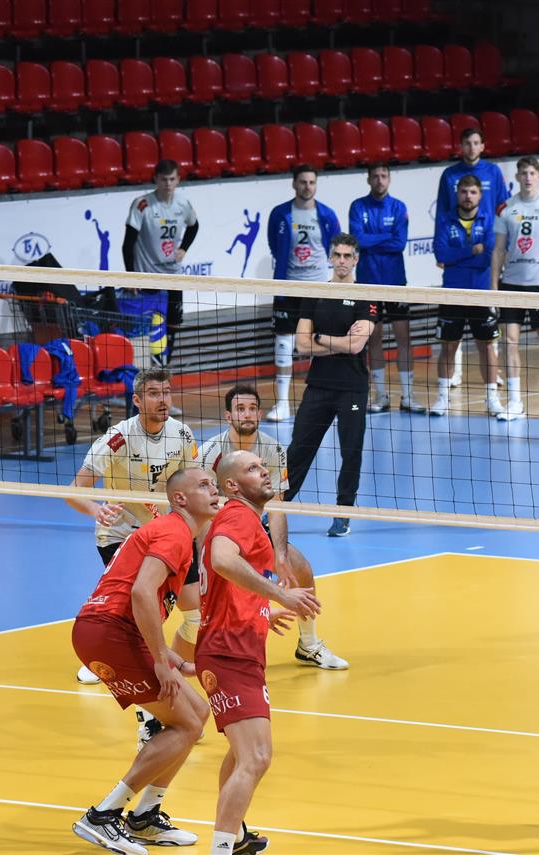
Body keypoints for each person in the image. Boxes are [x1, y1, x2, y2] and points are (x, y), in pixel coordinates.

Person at [70, 468, 219, 854]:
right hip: (110, 632)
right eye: (204, 485)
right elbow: (140, 593)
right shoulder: (174, 531)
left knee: (197, 713)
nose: (215, 490)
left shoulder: (176, 534)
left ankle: (145, 817)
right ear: (180, 498)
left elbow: (148, 601)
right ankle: (103, 815)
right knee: (186, 723)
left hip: (111, 631)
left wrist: (173, 660)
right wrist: (158, 660)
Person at [199, 451, 322, 855]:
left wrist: (263, 611)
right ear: (232, 485)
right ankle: (221, 849)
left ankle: (233, 839)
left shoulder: (245, 519)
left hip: (232, 648)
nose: (264, 471)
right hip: (228, 652)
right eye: (252, 468)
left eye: (262, 466)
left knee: (242, 756)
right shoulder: (239, 516)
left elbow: (228, 586)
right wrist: (280, 595)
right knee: (257, 757)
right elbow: (221, 560)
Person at [65, 368, 199, 717]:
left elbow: (193, 481)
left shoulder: (182, 433)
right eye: (154, 393)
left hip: (169, 535)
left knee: (195, 611)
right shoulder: (117, 439)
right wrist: (97, 510)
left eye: (167, 392)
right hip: (123, 536)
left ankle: (168, 664)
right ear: (137, 400)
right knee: (139, 608)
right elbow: (74, 490)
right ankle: (141, 690)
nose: (163, 400)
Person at [199, 384, 348, 669]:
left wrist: (280, 555)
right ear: (228, 416)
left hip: (254, 526)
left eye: (252, 409)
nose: (247, 414)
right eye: (240, 409)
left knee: (299, 567)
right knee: (206, 590)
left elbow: (277, 505)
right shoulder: (209, 453)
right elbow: (202, 507)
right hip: (219, 528)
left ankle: (308, 644)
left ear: (259, 414)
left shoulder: (273, 449)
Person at [284, 234, 378, 538]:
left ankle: (343, 513)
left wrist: (320, 338)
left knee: (351, 453)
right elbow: (301, 345)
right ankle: (278, 508)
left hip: (352, 387)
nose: (341, 261)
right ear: (329, 257)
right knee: (299, 449)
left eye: (347, 256)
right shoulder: (315, 294)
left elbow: (356, 346)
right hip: (319, 385)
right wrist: (338, 342)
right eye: (337, 255)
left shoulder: (366, 296)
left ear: (356, 259)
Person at [491, 156, 539, 421]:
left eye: (532, 173)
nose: (527, 177)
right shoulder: (506, 208)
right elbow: (498, 250)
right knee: (509, 342)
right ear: (517, 177)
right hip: (512, 285)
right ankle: (515, 402)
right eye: (523, 173)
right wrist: (494, 288)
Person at [266, 165, 341, 423]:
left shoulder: (327, 215)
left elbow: (336, 247)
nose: (307, 187)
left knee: (320, 344)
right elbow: (274, 245)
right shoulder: (280, 213)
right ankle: (282, 404)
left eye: (311, 182)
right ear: (294, 184)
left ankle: (322, 404)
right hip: (287, 288)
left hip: (318, 289)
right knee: (284, 344)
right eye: (303, 182)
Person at [435, 127, 508, 387]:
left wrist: (497, 249)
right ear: (461, 146)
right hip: (457, 250)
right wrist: (447, 251)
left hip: (486, 251)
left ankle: (492, 377)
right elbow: (442, 212)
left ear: (483, 146)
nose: (472, 147)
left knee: (486, 332)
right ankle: (454, 374)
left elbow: (503, 208)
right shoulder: (449, 174)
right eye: (467, 143)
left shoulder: (493, 172)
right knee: (452, 334)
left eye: (476, 143)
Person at [349, 163, 424, 414]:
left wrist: (372, 240)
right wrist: (385, 236)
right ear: (368, 179)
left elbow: (399, 243)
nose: (379, 180)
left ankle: (408, 396)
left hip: (395, 283)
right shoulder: (358, 206)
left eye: (383, 176)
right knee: (374, 339)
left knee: (404, 338)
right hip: (368, 285)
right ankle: (381, 396)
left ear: (389, 180)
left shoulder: (399, 207)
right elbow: (357, 240)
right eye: (375, 176)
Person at [429, 175, 501, 417]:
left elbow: (487, 257)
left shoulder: (489, 220)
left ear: (480, 195)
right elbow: (441, 254)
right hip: (452, 294)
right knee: (448, 347)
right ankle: (442, 398)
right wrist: (471, 250)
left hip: (481, 293)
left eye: (472, 192)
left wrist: (456, 257)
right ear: (457, 194)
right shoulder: (445, 220)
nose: (468, 196)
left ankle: (492, 399)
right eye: (463, 191)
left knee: (486, 347)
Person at [123, 159, 198, 378]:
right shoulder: (143, 205)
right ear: (156, 179)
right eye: (164, 179)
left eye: (172, 179)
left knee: (173, 327)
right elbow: (127, 244)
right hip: (148, 277)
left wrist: (183, 248)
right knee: (149, 329)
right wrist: (130, 276)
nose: (168, 184)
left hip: (173, 276)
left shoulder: (183, 204)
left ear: (178, 180)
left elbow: (194, 226)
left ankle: (162, 374)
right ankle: (145, 378)